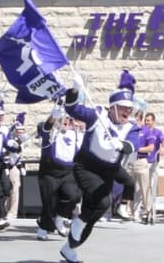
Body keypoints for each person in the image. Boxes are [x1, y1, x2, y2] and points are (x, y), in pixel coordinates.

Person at [59, 72, 140, 263]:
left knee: (93, 214)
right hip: (87, 165)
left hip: (109, 169)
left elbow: (133, 144)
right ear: (112, 107)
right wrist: (75, 89)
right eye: (123, 108)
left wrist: (123, 146)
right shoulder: (97, 115)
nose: (127, 112)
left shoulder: (131, 126)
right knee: (103, 203)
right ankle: (78, 221)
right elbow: (71, 108)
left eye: (130, 108)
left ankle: (69, 248)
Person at [35, 109, 82, 241]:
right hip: (50, 172)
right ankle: (43, 228)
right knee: (48, 202)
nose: (65, 121)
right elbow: (46, 126)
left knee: (73, 196)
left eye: (68, 119)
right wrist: (54, 114)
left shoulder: (75, 134)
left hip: (67, 172)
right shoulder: (50, 133)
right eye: (62, 118)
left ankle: (60, 218)